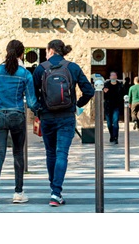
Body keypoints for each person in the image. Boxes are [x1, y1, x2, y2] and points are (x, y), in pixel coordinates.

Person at [33, 39, 95, 207]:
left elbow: (33, 94)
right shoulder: (72, 68)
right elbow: (89, 91)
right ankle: (56, 192)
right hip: (66, 117)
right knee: (62, 154)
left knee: (50, 153)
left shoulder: (41, 68)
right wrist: (77, 105)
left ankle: (53, 189)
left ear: (50, 50)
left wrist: (39, 109)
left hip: (47, 117)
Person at [0, 40, 39, 210]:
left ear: (7, 51)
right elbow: (31, 102)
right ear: (22, 54)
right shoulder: (25, 74)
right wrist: (39, 111)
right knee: (18, 154)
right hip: (17, 115)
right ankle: (18, 193)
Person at [103, 71, 124, 144]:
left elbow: (123, 95)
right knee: (109, 123)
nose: (113, 77)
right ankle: (111, 135)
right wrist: (104, 92)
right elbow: (103, 97)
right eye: (112, 75)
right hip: (108, 107)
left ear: (116, 77)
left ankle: (115, 137)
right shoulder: (106, 85)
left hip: (116, 106)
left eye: (115, 75)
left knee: (115, 122)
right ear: (110, 77)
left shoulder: (120, 85)